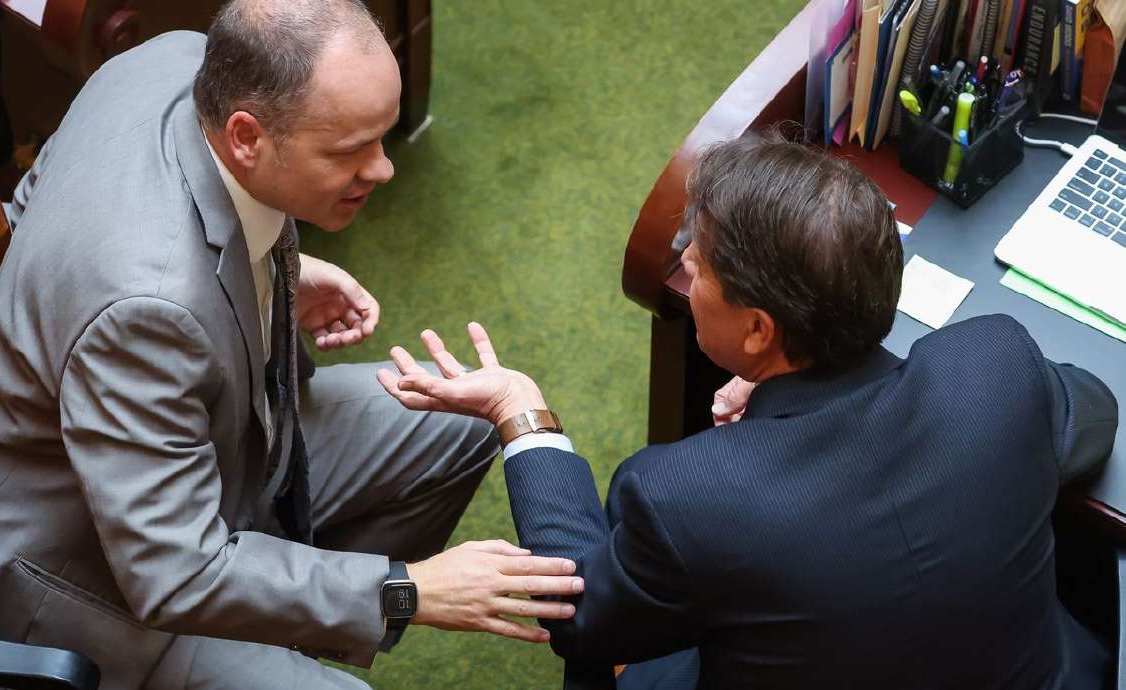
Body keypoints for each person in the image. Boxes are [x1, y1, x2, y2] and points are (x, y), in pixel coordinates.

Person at [0, 1, 583, 688]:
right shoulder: (147, 311)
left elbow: (30, 209)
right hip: (85, 573)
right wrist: (405, 591)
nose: (383, 171)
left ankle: (286, 628)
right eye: (351, 150)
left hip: (202, 452)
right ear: (246, 137)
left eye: (380, 138)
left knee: (457, 428)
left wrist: (272, 269)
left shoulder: (171, 58)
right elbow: (174, 573)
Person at [378, 133, 1121, 689]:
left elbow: (580, 614)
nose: (686, 270)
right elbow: (1092, 412)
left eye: (698, 264)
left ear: (760, 330)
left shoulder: (684, 495)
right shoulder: (994, 364)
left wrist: (521, 408)